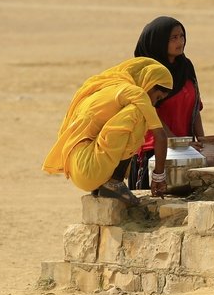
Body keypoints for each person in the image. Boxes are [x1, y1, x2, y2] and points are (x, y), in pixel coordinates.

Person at [43, 58, 172, 205]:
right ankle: (114, 183)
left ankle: (104, 184)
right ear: (149, 83)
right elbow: (160, 136)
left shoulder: (112, 88)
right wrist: (159, 177)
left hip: (80, 168)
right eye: (157, 97)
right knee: (138, 115)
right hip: (88, 168)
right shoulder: (136, 93)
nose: (154, 102)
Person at [130, 16, 205, 189]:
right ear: (158, 41)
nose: (180, 42)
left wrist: (203, 142)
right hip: (154, 153)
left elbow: (195, 108)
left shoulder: (186, 67)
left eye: (182, 36)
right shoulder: (147, 72)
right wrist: (177, 143)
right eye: (173, 38)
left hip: (186, 153)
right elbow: (150, 112)